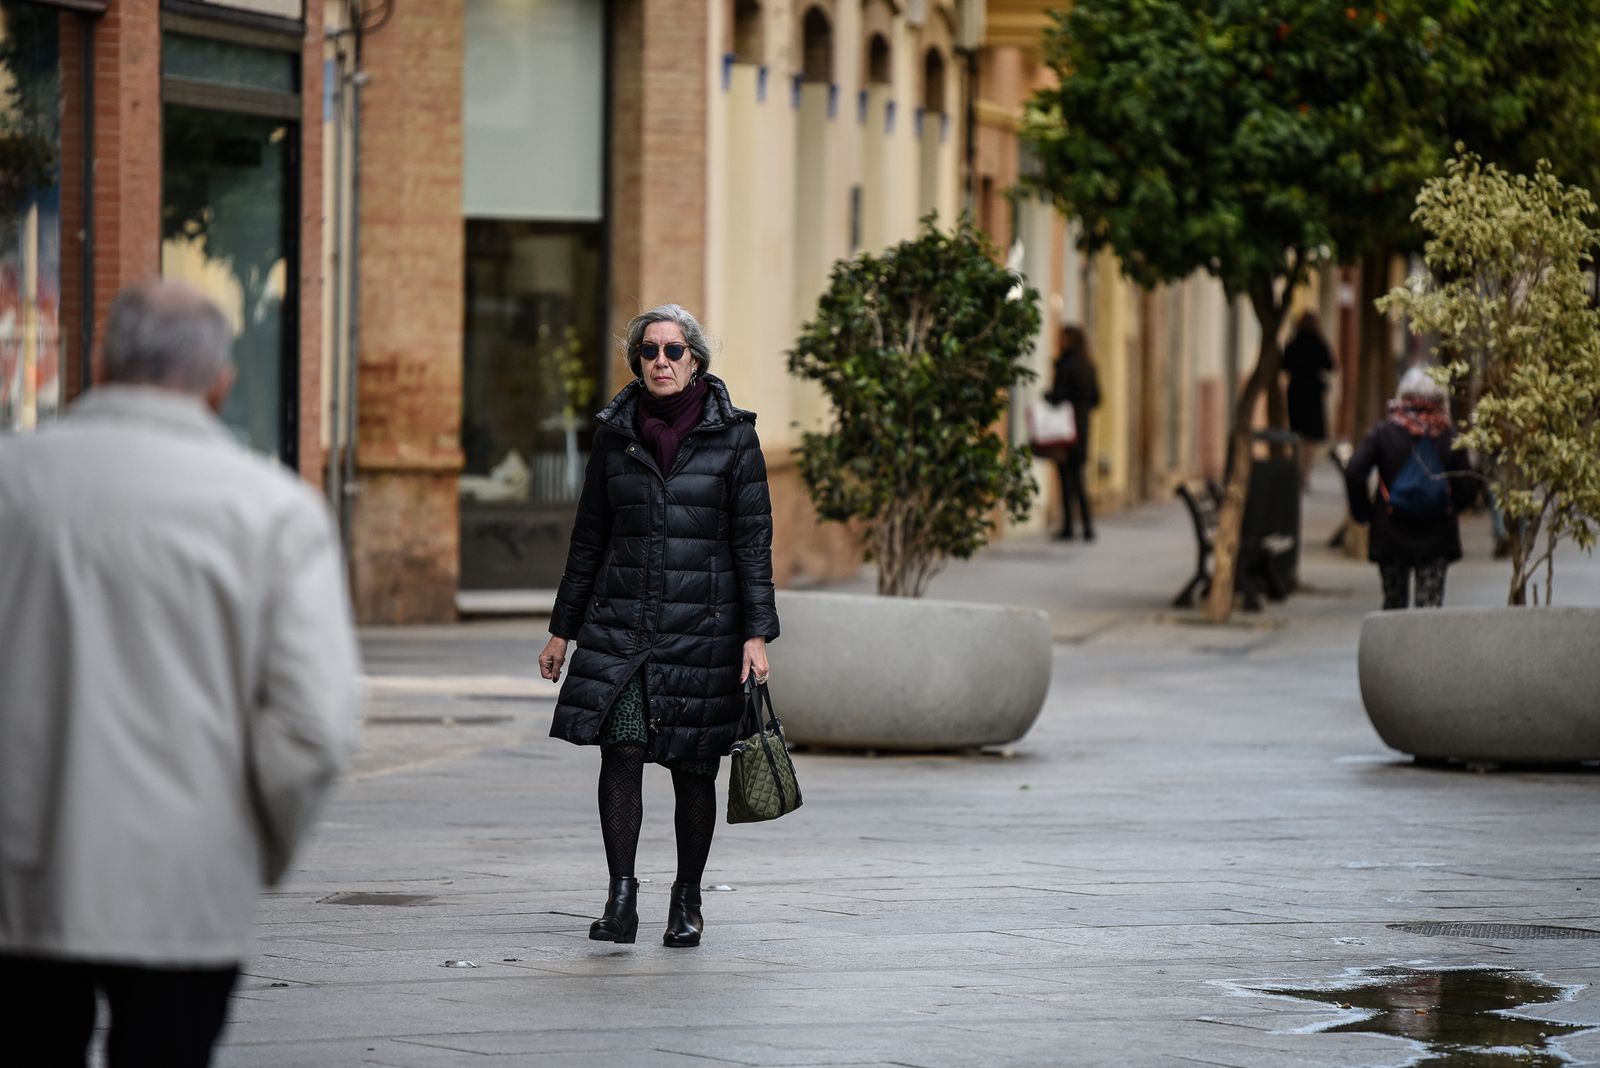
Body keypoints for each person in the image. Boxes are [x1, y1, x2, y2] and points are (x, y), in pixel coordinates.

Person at [0, 279, 363, 1066]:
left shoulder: (13, 482)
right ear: (220, 382)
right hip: (185, 877)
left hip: (19, 870)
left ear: (101, 363)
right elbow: (312, 726)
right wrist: (256, 850)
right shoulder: (272, 510)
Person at [538, 304, 778, 949]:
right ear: (637, 362)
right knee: (621, 751)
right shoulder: (614, 436)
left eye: (674, 350)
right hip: (622, 626)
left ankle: (687, 898)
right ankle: (621, 898)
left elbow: (753, 544)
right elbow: (588, 539)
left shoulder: (735, 438)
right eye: (650, 351)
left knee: (693, 766)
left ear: (695, 360)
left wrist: (756, 634)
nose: (662, 362)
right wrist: (562, 629)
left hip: (704, 629)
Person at [1344, 366, 1476, 609]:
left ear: (1403, 395)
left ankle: (1395, 635)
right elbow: (1467, 484)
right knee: (1429, 609)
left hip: (1391, 529)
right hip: (1436, 533)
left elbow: (1354, 471)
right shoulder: (1448, 436)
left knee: (1394, 606)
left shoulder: (1384, 433)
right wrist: (1451, 507)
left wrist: (1364, 513)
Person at [1044, 324, 1101, 541]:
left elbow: (1058, 397)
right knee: (1078, 480)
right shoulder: (1088, 366)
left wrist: (1048, 397)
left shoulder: (1065, 365)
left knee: (1066, 478)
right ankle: (1087, 526)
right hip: (1083, 429)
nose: (1059, 341)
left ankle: (1069, 526)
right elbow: (1097, 399)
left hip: (1065, 429)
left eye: (1062, 338)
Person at [1281, 311, 1337, 490]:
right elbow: (1330, 365)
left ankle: (1296, 472)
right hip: (1313, 394)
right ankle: (1304, 475)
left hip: (1296, 393)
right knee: (1309, 439)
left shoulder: (1293, 343)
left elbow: (1285, 365)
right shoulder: (1319, 343)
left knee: (1296, 435)